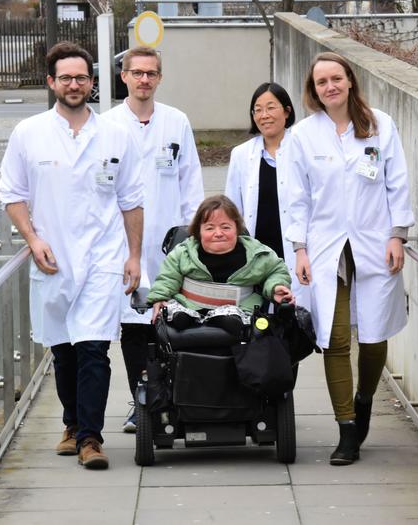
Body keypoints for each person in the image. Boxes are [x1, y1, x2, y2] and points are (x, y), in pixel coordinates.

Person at [0, 41, 144, 470]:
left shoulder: (117, 135)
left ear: (93, 83)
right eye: (66, 78)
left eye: (82, 77)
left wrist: (134, 256)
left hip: (103, 258)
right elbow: (12, 193)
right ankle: (71, 421)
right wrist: (32, 238)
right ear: (51, 82)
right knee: (63, 351)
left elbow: (132, 200)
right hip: (53, 258)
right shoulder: (29, 133)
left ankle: (89, 439)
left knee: (94, 349)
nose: (74, 84)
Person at [286, 52, 415, 466]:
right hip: (327, 249)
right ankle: (346, 430)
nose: (330, 87)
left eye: (336, 79)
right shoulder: (304, 135)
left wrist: (398, 235)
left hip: (375, 242)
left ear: (350, 81)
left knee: (375, 336)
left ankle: (364, 399)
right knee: (335, 339)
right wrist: (300, 248)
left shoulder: (379, 124)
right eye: (321, 82)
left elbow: (397, 183)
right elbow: (296, 197)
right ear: (313, 90)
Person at [103, 45, 204, 433]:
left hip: (169, 240)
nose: (144, 79)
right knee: (134, 325)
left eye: (151, 73)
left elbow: (190, 178)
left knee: (171, 322)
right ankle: (141, 401)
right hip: (124, 241)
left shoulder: (176, 122)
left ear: (160, 78)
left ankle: (173, 399)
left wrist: (191, 236)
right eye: (137, 72)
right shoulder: (108, 125)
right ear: (124, 76)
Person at [147, 195, 294, 323]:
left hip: (239, 313)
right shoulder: (183, 253)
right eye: (210, 228)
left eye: (225, 227)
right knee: (175, 316)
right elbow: (167, 278)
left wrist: (276, 287)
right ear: (199, 231)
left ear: (237, 228)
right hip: (188, 309)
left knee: (233, 322)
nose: (218, 233)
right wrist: (159, 298)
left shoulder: (258, 254)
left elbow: (276, 271)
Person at [224, 82, 298, 285]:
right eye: (257, 110)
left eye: (271, 107)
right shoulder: (241, 154)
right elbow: (232, 207)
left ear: (287, 111)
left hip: (295, 248)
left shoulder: (302, 148)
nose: (264, 115)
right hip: (257, 248)